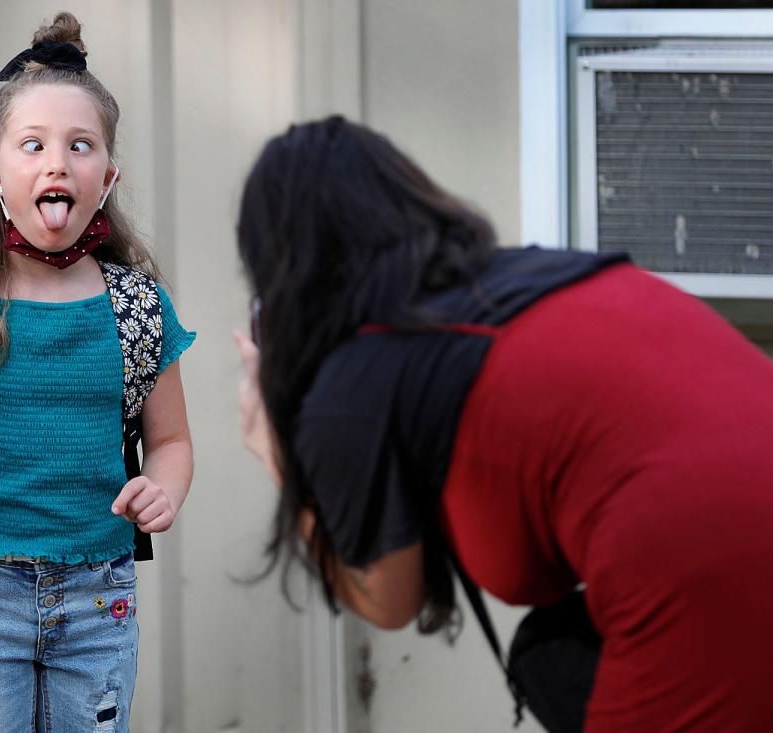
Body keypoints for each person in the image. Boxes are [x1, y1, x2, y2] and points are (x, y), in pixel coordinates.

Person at [233, 116, 773, 732]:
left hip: (716, 580)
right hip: (722, 561)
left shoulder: (358, 378)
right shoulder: (544, 276)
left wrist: (279, 453)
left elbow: (387, 600)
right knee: (549, 654)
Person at [0, 13, 194, 731]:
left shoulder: (138, 307)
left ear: (107, 176)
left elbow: (170, 441)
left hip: (99, 599)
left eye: (80, 146)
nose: (58, 163)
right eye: (33, 145)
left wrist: (163, 487)